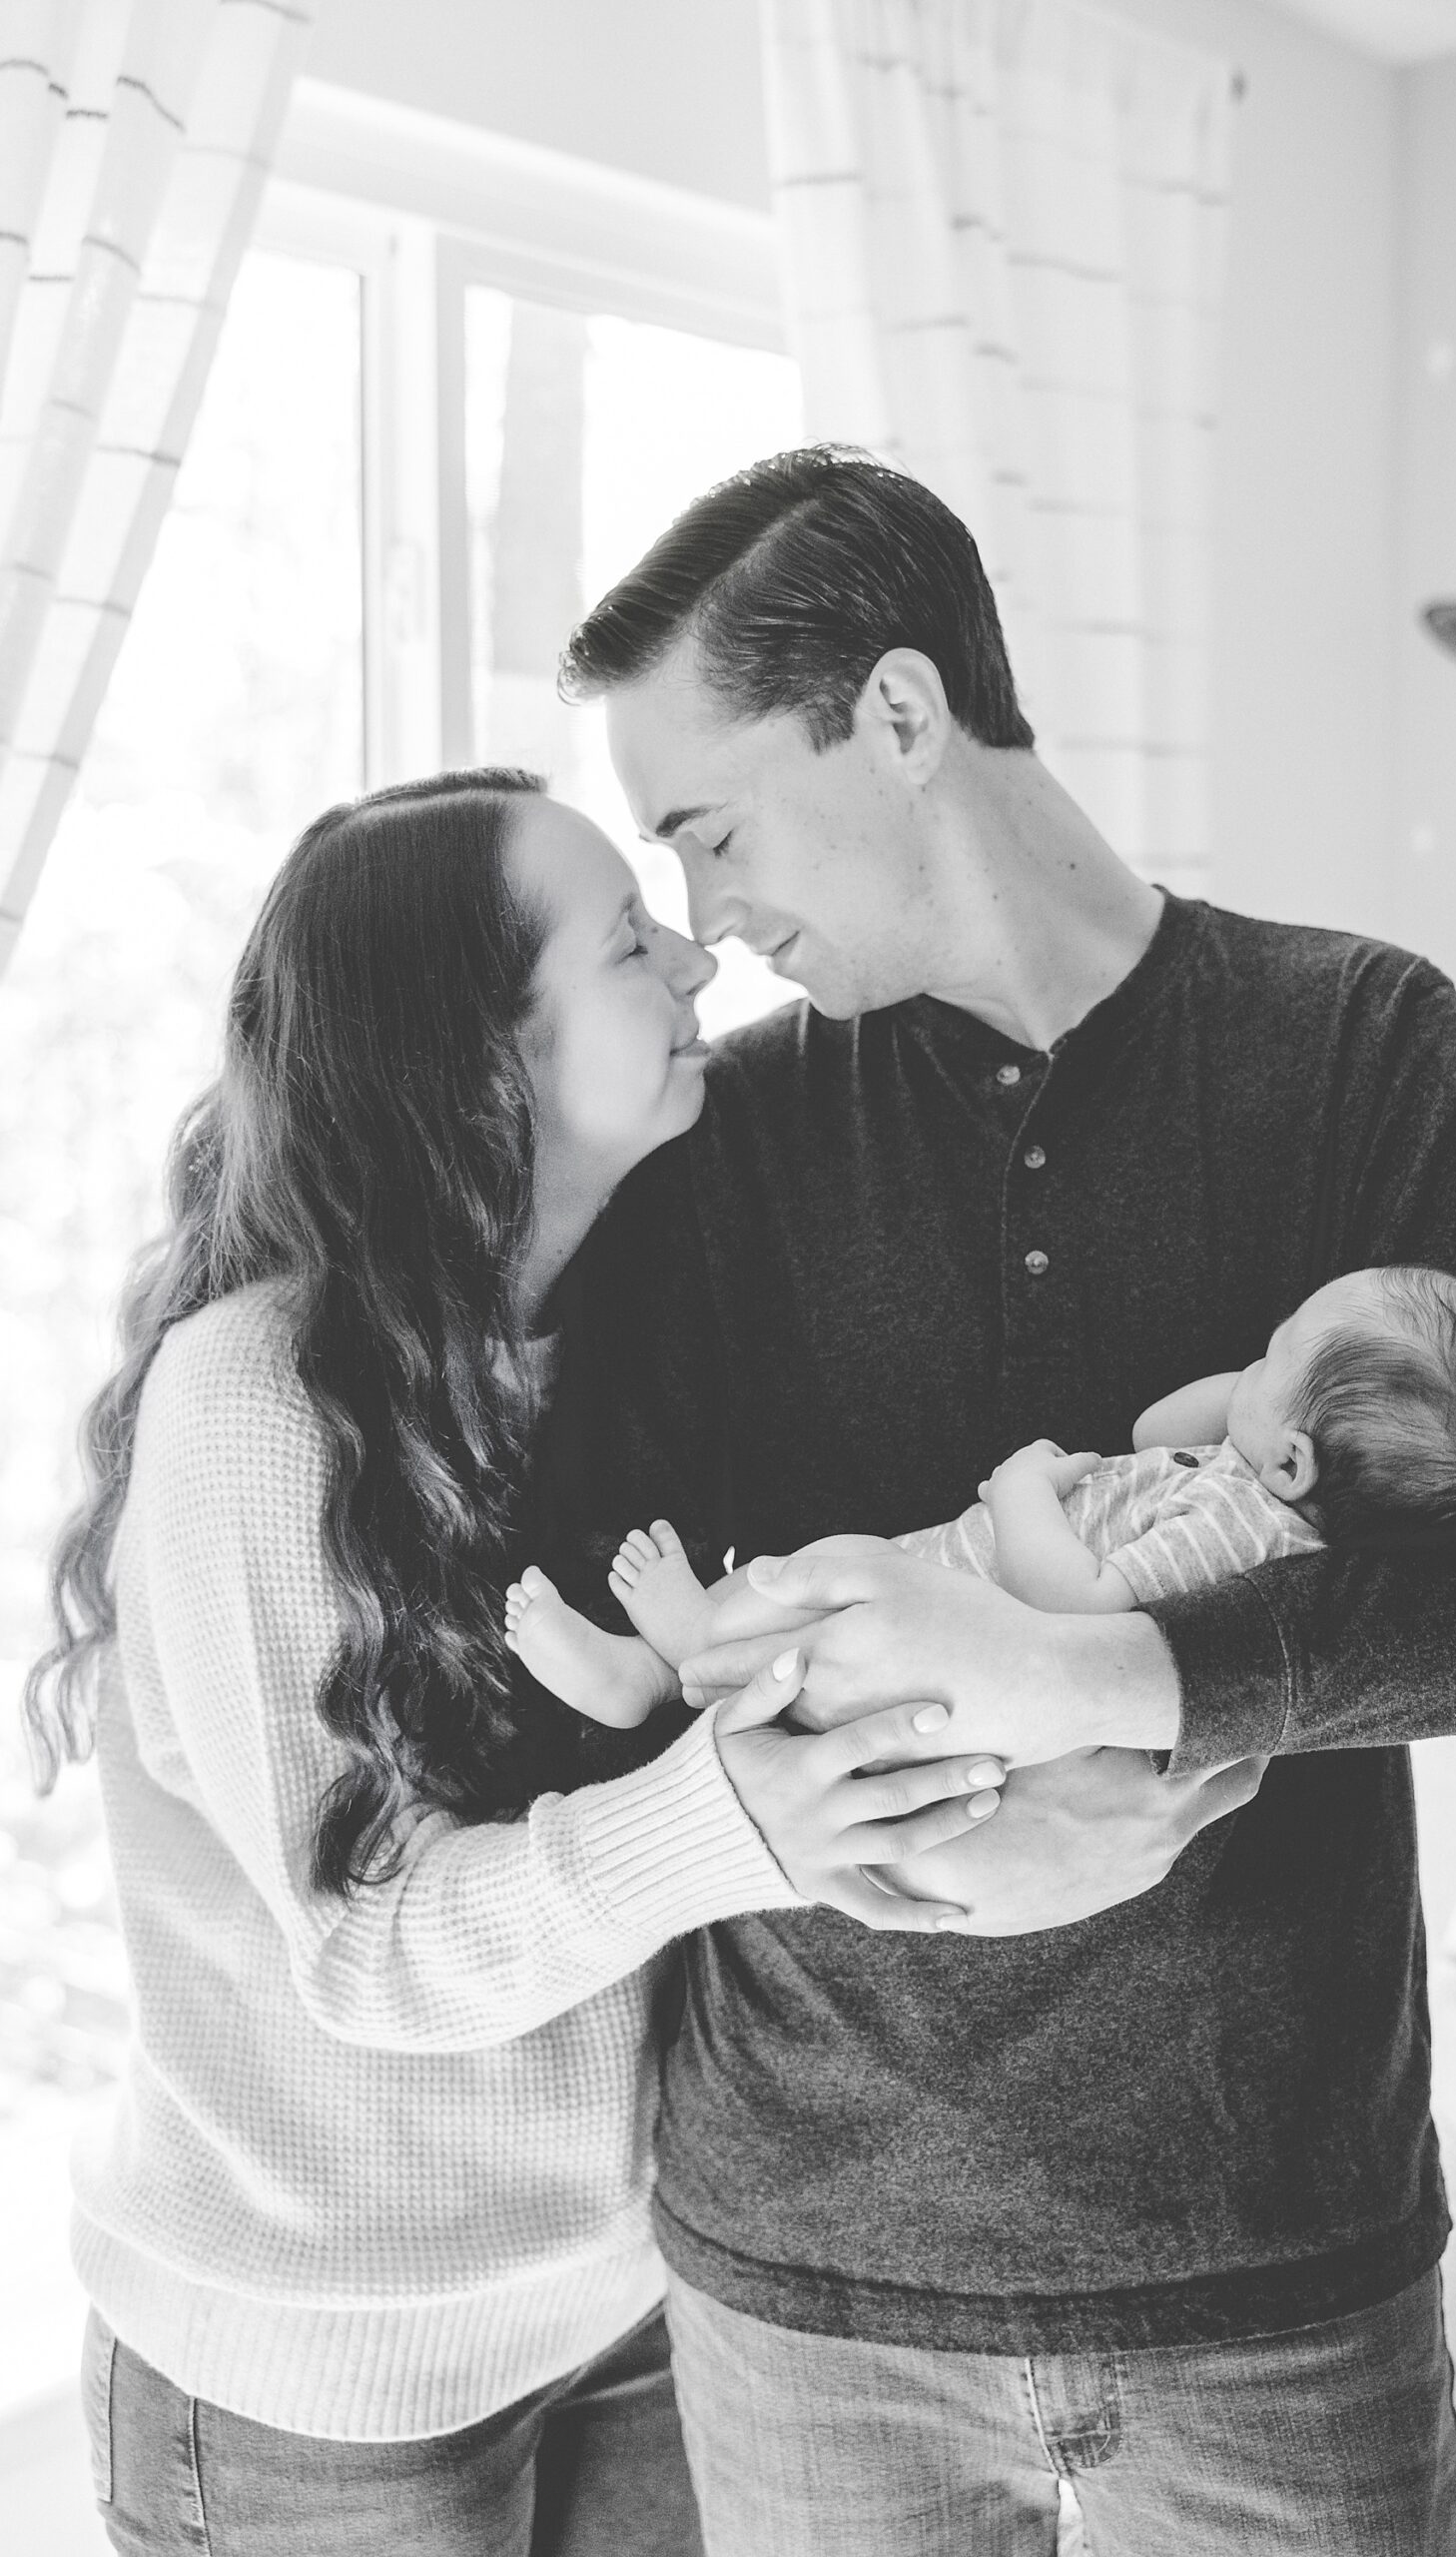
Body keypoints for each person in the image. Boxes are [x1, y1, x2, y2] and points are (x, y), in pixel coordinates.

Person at [527, 447, 1456, 2557]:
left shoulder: (1355, 1047)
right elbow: (569, 1597)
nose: (704, 919)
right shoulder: (728, 1134)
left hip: (1270, 2274)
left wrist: (1129, 1675)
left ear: (895, 717)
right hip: (809, 2278)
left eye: (708, 828)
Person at [21, 769, 1016, 2557]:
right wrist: (734, 1817)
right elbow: (368, 1949)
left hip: (628, 2313)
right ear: (480, 1061)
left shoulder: (623, 1339)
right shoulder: (257, 1404)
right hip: (313, 2394)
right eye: (630, 944)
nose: (700, 970)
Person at [505, 1264, 1456, 1686]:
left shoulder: (1249, 1537)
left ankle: (675, 1661)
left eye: (1280, 1343)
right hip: (954, 1589)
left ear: (1295, 1462)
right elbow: (1158, 1425)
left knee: (824, 1588)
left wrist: (1018, 1487)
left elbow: (1081, 1601)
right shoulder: (1252, 1482)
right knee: (810, 1582)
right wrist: (1264, 1390)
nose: (1260, 1348)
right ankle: (651, 1668)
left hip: (963, 1620)